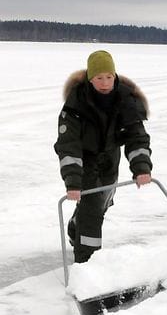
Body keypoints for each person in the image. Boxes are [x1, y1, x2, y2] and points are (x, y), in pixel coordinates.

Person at [53, 50, 153, 263]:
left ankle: (75, 226)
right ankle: (88, 264)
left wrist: (141, 167)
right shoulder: (75, 105)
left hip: (110, 156)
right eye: (99, 78)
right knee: (92, 209)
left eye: (109, 77)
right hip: (85, 158)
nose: (105, 82)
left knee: (103, 203)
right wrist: (73, 182)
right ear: (90, 79)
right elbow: (68, 146)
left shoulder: (125, 99)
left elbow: (137, 137)